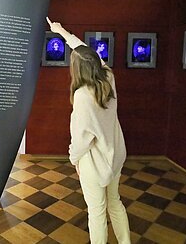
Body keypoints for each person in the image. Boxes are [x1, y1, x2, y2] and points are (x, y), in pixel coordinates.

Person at [46, 17, 131, 244]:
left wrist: (73, 160)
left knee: (97, 212)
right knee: (115, 202)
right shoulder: (108, 77)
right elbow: (85, 51)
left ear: (78, 70)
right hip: (115, 155)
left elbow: (82, 139)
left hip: (93, 162)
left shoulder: (83, 96)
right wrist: (61, 31)